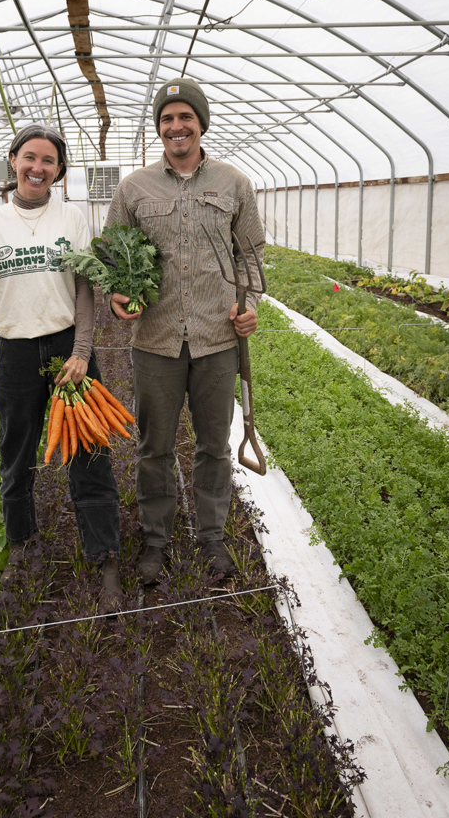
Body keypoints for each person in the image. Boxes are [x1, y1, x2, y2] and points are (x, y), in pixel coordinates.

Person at [0, 123, 122, 609]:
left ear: (59, 170)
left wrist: (83, 352)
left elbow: (86, 288)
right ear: (13, 161)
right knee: (17, 451)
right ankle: (23, 546)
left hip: (68, 346)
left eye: (48, 161)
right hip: (16, 352)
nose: (37, 167)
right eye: (30, 157)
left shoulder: (72, 218)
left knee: (89, 447)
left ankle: (103, 548)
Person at [105, 78, 265, 584]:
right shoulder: (134, 188)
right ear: (159, 128)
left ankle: (211, 536)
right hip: (155, 340)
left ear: (201, 123)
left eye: (185, 117)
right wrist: (116, 295)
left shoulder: (233, 183)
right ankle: (156, 539)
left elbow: (252, 255)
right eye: (167, 119)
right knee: (154, 447)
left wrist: (250, 305)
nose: (176, 126)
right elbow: (113, 252)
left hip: (219, 338)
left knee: (214, 444)